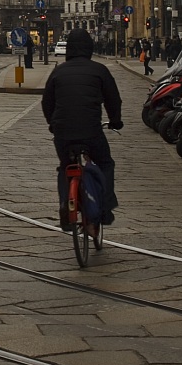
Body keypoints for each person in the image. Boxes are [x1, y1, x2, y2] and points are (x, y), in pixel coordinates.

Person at [41, 29, 123, 229]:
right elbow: (113, 100)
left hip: (63, 131)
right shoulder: (100, 70)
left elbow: (46, 102)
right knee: (105, 163)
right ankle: (105, 208)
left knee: (65, 167)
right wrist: (115, 120)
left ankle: (64, 204)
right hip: (91, 130)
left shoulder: (58, 71)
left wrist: (53, 123)